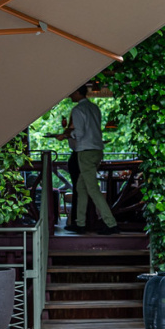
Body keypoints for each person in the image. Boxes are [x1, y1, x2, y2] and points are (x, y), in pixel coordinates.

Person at [66, 85, 119, 235]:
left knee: (92, 189)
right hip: (97, 150)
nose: (70, 95)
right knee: (81, 188)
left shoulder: (77, 110)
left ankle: (111, 224)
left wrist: (67, 135)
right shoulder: (95, 108)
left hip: (85, 152)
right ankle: (80, 223)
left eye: (72, 93)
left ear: (77, 92)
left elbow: (80, 133)